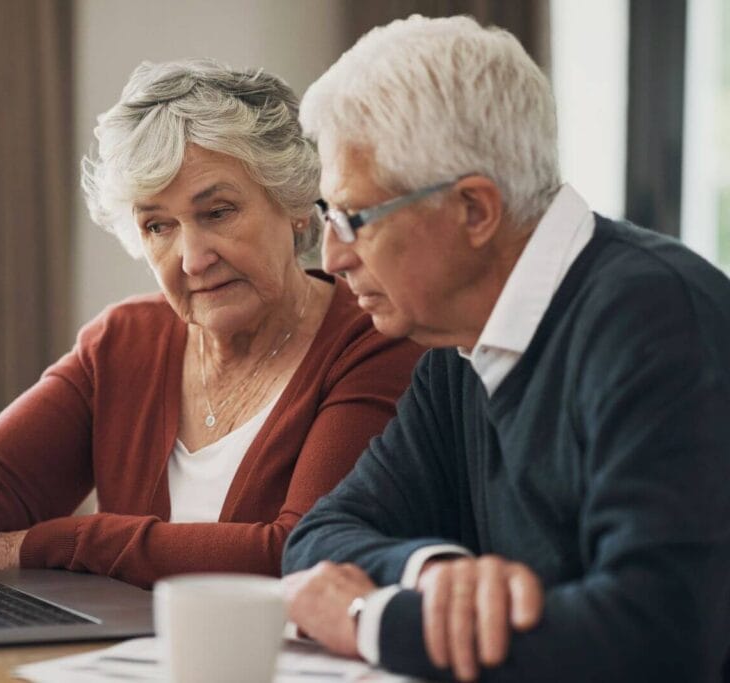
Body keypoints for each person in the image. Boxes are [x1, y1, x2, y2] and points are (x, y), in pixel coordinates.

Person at [280, 15, 730, 683]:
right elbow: (320, 538)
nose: (333, 255)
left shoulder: (659, 321)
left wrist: (372, 620)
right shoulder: (456, 345)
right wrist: (438, 576)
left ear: (475, 210)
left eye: (354, 218)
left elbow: (658, 635)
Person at [0, 59, 424, 590]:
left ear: (295, 203)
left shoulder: (372, 343)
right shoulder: (123, 340)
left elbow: (296, 554)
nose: (192, 257)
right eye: (159, 226)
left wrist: (51, 543)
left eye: (217, 212)